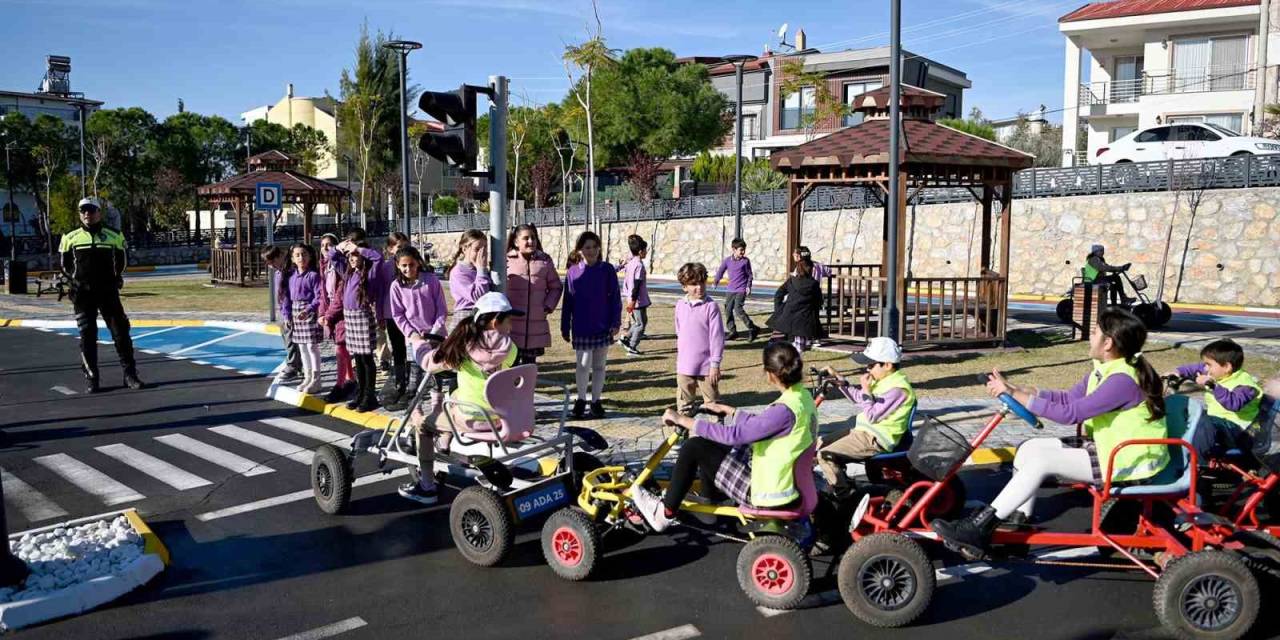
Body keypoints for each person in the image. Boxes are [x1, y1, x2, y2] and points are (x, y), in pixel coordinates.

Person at [931, 309, 1170, 558]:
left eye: (1095, 332)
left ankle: (978, 528)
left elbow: (1071, 414)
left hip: (1127, 461)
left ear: (1108, 343)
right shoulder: (1107, 369)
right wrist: (1020, 389)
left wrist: (1016, 396)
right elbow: (1068, 398)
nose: (1091, 336)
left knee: (1042, 461)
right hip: (1110, 450)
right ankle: (1017, 522)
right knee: (1029, 449)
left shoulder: (1122, 380)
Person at [630, 342, 817, 531]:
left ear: (770, 374)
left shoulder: (783, 410)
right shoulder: (801, 398)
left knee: (693, 446)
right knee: (710, 442)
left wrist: (682, 420)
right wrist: (730, 411)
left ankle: (664, 513)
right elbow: (762, 425)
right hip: (786, 485)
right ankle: (709, 503)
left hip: (767, 492)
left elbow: (734, 435)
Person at [400, 292, 522, 505]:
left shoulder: (464, 346)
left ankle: (427, 487)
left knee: (422, 423)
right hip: (501, 418)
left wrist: (418, 342)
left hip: (472, 419)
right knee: (455, 396)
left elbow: (429, 363)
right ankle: (445, 442)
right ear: (495, 322)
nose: (511, 326)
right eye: (509, 320)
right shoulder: (511, 348)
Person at [60, 197, 144, 392]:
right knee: (87, 336)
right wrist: (75, 281)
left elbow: (122, 261)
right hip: (83, 295)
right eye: (83, 211)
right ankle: (92, 378)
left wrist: (115, 277)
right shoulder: (70, 237)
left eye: (91, 210)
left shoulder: (113, 235)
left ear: (99, 212)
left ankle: (130, 375)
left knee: (121, 334)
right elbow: (64, 265)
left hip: (108, 292)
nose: (87, 214)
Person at [815, 337, 915, 492]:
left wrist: (866, 390)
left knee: (825, 454)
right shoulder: (883, 380)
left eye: (871, 365)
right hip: (863, 433)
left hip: (876, 439)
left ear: (887, 365)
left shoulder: (898, 390)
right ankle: (836, 478)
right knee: (817, 444)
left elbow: (872, 415)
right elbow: (860, 398)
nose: (867, 369)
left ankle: (844, 494)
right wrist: (838, 379)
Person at [561, 231, 622, 419]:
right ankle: (580, 399)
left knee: (599, 366)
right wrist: (565, 326)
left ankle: (596, 401)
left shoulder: (607, 270)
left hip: (602, 326)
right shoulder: (573, 272)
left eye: (595, 247)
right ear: (580, 250)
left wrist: (615, 321)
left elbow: (615, 299)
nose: (592, 251)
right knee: (583, 364)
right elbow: (568, 302)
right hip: (581, 327)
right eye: (587, 247)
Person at [1168, 339, 1263, 454]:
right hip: (1221, 424)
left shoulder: (1246, 386)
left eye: (1209, 365)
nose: (1206, 369)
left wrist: (1213, 386)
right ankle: (1177, 447)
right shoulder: (1220, 372)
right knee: (1190, 415)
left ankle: (1197, 459)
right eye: (1205, 364)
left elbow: (1234, 403)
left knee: (1202, 422)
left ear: (1227, 367)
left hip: (1240, 431)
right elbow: (1196, 368)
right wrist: (1177, 372)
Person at [390, 244, 448, 407]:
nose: (408, 269)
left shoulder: (431, 280)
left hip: (435, 337)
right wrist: (412, 334)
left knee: (435, 376)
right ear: (398, 265)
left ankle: (437, 410)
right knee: (414, 375)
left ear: (418, 263)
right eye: (404, 266)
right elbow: (398, 314)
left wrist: (434, 331)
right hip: (414, 340)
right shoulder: (396, 286)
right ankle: (416, 411)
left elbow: (442, 309)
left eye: (411, 265)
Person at [334, 240, 384, 412]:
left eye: (356, 255)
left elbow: (378, 258)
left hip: (362, 316)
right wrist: (339, 248)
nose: (353, 258)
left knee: (367, 359)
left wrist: (359, 249)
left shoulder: (369, 273)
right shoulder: (348, 273)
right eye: (350, 256)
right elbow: (332, 258)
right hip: (350, 318)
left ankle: (369, 396)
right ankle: (361, 393)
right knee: (358, 359)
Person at [505, 223, 562, 366]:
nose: (531, 241)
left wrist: (548, 307)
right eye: (526, 238)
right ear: (516, 242)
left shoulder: (544, 261)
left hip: (535, 327)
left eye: (533, 237)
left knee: (529, 367)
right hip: (512, 327)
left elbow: (556, 286)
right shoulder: (506, 261)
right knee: (510, 365)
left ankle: (527, 389)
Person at [673, 262, 724, 416]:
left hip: (707, 368)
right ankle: (683, 438)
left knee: (713, 405)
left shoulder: (711, 307)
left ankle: (716, 438)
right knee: (684, 407)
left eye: (702, 283)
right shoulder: (680, 305)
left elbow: (717, 338)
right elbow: (679, 331)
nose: (699, 287)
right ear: (684, 286)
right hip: (685, 366)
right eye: (693, 284)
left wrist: (715, 364)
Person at [280, 243, 324, 394]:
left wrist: (309, 309)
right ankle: (307, 376)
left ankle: (317, 379)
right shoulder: (291, 276)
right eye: (297, 255)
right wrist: (286, 315)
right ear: (292, 258)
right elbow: (286, 298)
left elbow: (319, 297)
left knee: (312, 346)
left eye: (304, 254)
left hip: (309, 313)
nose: (301, 258)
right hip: (295, 313)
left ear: (310, 256)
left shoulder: (313, 275)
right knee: (302, 347)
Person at [377, 232, 413, 409]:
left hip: (411, 313)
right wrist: (381, 315)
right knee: (398, 349)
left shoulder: (412, 264)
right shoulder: (385, 267)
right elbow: (381, 291)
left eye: (405, 246)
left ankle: (414, 380)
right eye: (399, 247)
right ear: (390, 249)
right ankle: (400, 381)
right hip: (392, 313)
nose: (403, 250)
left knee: (413, 348)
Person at [318, 234, 355, 402]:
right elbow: (323, 294)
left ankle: (340, 385)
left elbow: (340, 294)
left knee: (341, 347)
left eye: (330, 245)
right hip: (331, 312)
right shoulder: (324, 267)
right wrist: (321, 313)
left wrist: (329, 314)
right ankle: (350, 379)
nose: (326, 248)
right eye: (323, 245)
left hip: (341, 312)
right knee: (341, 347)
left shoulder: (340, 266)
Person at [768, 249, 825, 352]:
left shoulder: (791, 281)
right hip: (805, 319)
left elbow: (778, 294)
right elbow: (819, 301)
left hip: (789, 316)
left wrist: (779, 310)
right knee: (798, 346)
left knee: (788, 344)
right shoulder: (814, 284)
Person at [262, 246, 303, 383]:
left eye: (272, 261)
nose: (270, 265)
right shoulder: (279, 272)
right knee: (287, 338)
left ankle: (293, 365)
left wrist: (287, 315)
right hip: (283, 310)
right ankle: (298, 364)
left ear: (279, 256)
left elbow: (288, 295)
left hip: (290, 310)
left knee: (291, 339)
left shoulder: (289, 271)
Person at [714, 238, 759, 342]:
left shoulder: (745, 261)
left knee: (738, 309)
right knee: (728, 310)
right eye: (741, 250)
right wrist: (716, 281)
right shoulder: (727, 261)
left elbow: (749, 275)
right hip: (730, 289)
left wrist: (748, 286)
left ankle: (752, 328)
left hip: (741, 289)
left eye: (744, 250)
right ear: (734, 249)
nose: (743, 252)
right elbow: (721, 270)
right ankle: (733, 331)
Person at [448, 229, 491, 331]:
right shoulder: (458, 272)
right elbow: (478, 296)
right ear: (464, 249)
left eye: (484, 250)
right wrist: (481, 270)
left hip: (483, 316)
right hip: (466, 317)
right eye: (477, 249)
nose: (482, 254)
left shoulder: (481, 270)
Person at [618, 234, 651, 357]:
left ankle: (625, 338)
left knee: (640, 321)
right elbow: (636, 284)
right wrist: (633, 300)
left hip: (632, 298)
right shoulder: (638, 265)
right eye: (645, 250)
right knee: (640, 324)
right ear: (641, 251)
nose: (646, 252)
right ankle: (632, 346)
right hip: (637, 299)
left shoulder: (631, 262)